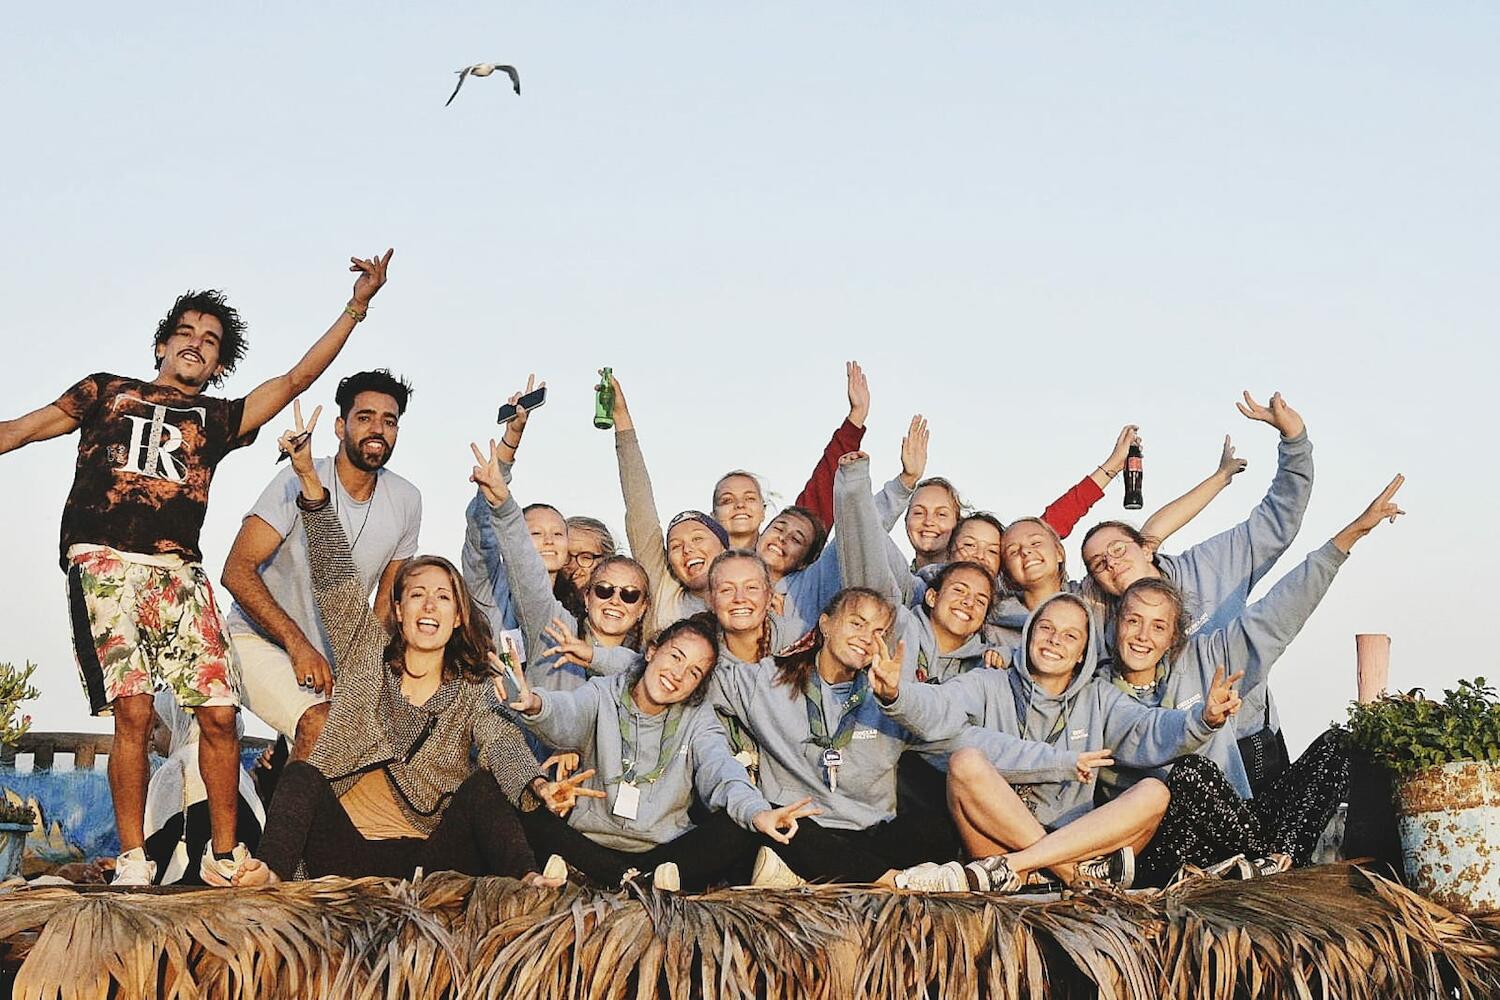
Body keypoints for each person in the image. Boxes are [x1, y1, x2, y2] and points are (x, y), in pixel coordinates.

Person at [0, 248, 393, 886]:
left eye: (210, 342)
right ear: (161, 345)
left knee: (219, 713)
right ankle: (132, 858)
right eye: (185, 333)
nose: (196, 344)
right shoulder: (105, 392)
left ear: (216, 366)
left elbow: (293, 380)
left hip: (178, 573)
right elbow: (18, 429)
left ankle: (225, 855)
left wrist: (356, 307)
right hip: (103, 563)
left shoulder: (215, 420)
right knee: (132, 710)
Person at [231, 408, 584, 887]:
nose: (429, 606)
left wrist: (539, 785)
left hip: (429, 857)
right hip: (348, 849)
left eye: (443, 597)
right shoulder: (365, 660)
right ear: (398, 610)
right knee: (300, 777)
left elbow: (501, 745)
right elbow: (337, 580)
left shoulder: (472, 688)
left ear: (458, 616)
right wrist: (311, 482)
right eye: (416, 594)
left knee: (484, 787)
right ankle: (268, 874)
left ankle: (526, 880)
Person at [1102, 474, 1405, 882]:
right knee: (1190, 772)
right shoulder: (1099, 689)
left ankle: (1275, 861)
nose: (1142, 635)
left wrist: (1348, 537)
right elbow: (1145, 734)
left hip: (1237, 828)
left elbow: (1278, 611)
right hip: (1169, 845)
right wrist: (1202, 721)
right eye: (1133, 621)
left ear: (1174, 636)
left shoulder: (1206, 656)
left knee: (1339, 743)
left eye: (1158, 626)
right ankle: (1273, 859)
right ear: (1114, 624)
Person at [872, 592, 1242, 892]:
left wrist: (1202, 719)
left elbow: (1147, 727)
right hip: (1000, 843)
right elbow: (938, 707)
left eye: (1070, 636)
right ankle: (1067, 876)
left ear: (1083, 652)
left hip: (1057, 848)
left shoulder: (1099, 697)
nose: (1054, 641)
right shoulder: (988, 683)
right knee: (965, 762)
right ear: (1030, 634)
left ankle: (1021, 869)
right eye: (1046, 628)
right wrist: (896, 694)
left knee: (1155, 793)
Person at [711, 586, 1080, 885]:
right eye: (856, 623)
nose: (866, 638)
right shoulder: (765, 680)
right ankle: (893, 881)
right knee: (779, 826)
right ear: (825, 624)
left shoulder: (887, 694)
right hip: (806, 830)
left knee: (934, 829)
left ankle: (819, 874)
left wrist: (1061, 761)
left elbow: (967, 741)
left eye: (877, 632)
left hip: (870, 835)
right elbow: (696, 679)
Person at [1081, 392, 1314, 786]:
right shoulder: (1102, 623)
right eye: (1098, 563)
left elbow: (1278, 521)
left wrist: (1294, 441)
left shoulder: (1209, 568)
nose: (1111, 563)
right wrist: (1106, 470)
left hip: (1247, 738)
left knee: (1276, 844)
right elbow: (1035, 554)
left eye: (1118, 549)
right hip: (1168, 770)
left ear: (1145, 545)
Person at [503, 613, 818, 891]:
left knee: (739, 825)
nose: (678, 674)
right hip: (591, 843)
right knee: (517, 799)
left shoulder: (698, 718)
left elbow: (721, 768)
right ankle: (630, 879)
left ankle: (615, 877)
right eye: (676, 657)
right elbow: (568, 713)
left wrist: (756, 812)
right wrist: (536, 704)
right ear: (652, 651)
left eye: (694, 673)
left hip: (665, 854)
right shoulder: (605, 692)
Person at [222, 369, 420, 761]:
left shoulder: (407, 499)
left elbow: (385, 605)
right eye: (364, 417)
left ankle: (279, 786)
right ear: (339, 425)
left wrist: (365, 675)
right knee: (321, 723)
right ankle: (287, 823)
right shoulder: (296, 478)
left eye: (389, 420)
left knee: (389, 742)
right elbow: (236, 570)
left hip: (332, 661)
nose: (377, 429)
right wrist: (296, 642)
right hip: (258, 640)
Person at [468, 439, 650, 692]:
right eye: (604, 590)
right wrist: (501, 501)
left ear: (644, 607)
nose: (548, 542)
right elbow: (490, 551)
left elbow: (644, 669)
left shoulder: (643, 654)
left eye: (630, 594)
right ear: (589, 596)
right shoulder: (554, 621)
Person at [607, 372, 729, 636]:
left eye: (698, 538)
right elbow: (640, 510)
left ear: (724, 547)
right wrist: (622, 421)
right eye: (675, 546)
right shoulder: (664, 590)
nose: (687, 549)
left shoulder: (751, 599)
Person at [142, 691, 266, 886]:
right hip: (245, 868)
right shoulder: (236, 769)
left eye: (157, 726)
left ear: (181, 724)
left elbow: (160, 839)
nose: (151, 736)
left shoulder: (176, 766)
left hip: (193, 877)